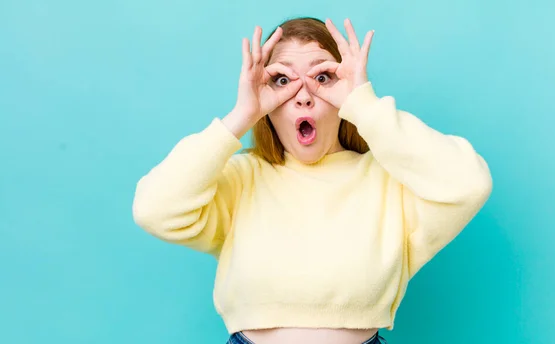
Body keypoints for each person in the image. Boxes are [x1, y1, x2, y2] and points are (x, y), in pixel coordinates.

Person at [132, 16, 493, 344]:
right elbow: (154, 210)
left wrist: (363, 104)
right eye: (282, 80)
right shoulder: (242, 178)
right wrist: (242, 115)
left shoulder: (388, 181)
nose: (303, 95)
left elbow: (468, 184)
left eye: (322, 77)